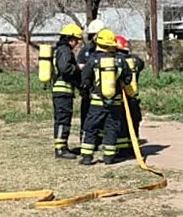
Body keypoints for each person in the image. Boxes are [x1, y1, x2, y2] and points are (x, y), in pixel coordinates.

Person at [78, 28, 126, 166]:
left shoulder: (93, 60)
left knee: (91, 127)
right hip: (116, 103)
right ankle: (109, 157)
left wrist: (89, 88)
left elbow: (85, 79)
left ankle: (87, 156)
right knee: (111, 128)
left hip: (97, 102)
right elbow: (128, 79)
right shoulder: (120, 61)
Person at [50, 22, 84, 159]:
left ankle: (63, 146)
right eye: (76, 40)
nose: (77, 43)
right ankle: (60, 149)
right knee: (62, 119)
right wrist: (78, 68)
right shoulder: (65, 50)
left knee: (63, 118)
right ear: (70, 38)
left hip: (63, 91)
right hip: (62, 92)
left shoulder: (60, 50)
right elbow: (65, 69)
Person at [114, 35, 145, 159]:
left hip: (121, 99)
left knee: (121, 124)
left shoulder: (116, 60)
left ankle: (122, 150)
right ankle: (134, 148)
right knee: (134, 124)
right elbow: (141, 65)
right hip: (133, 98)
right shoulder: (135, 61)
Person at [76, 19, 103, 145]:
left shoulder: (108, 50)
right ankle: (85, 138)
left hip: (103, 90)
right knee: (86, 114)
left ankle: (101, 139)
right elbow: (79, 68)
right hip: (88, 89)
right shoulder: (85, 51)